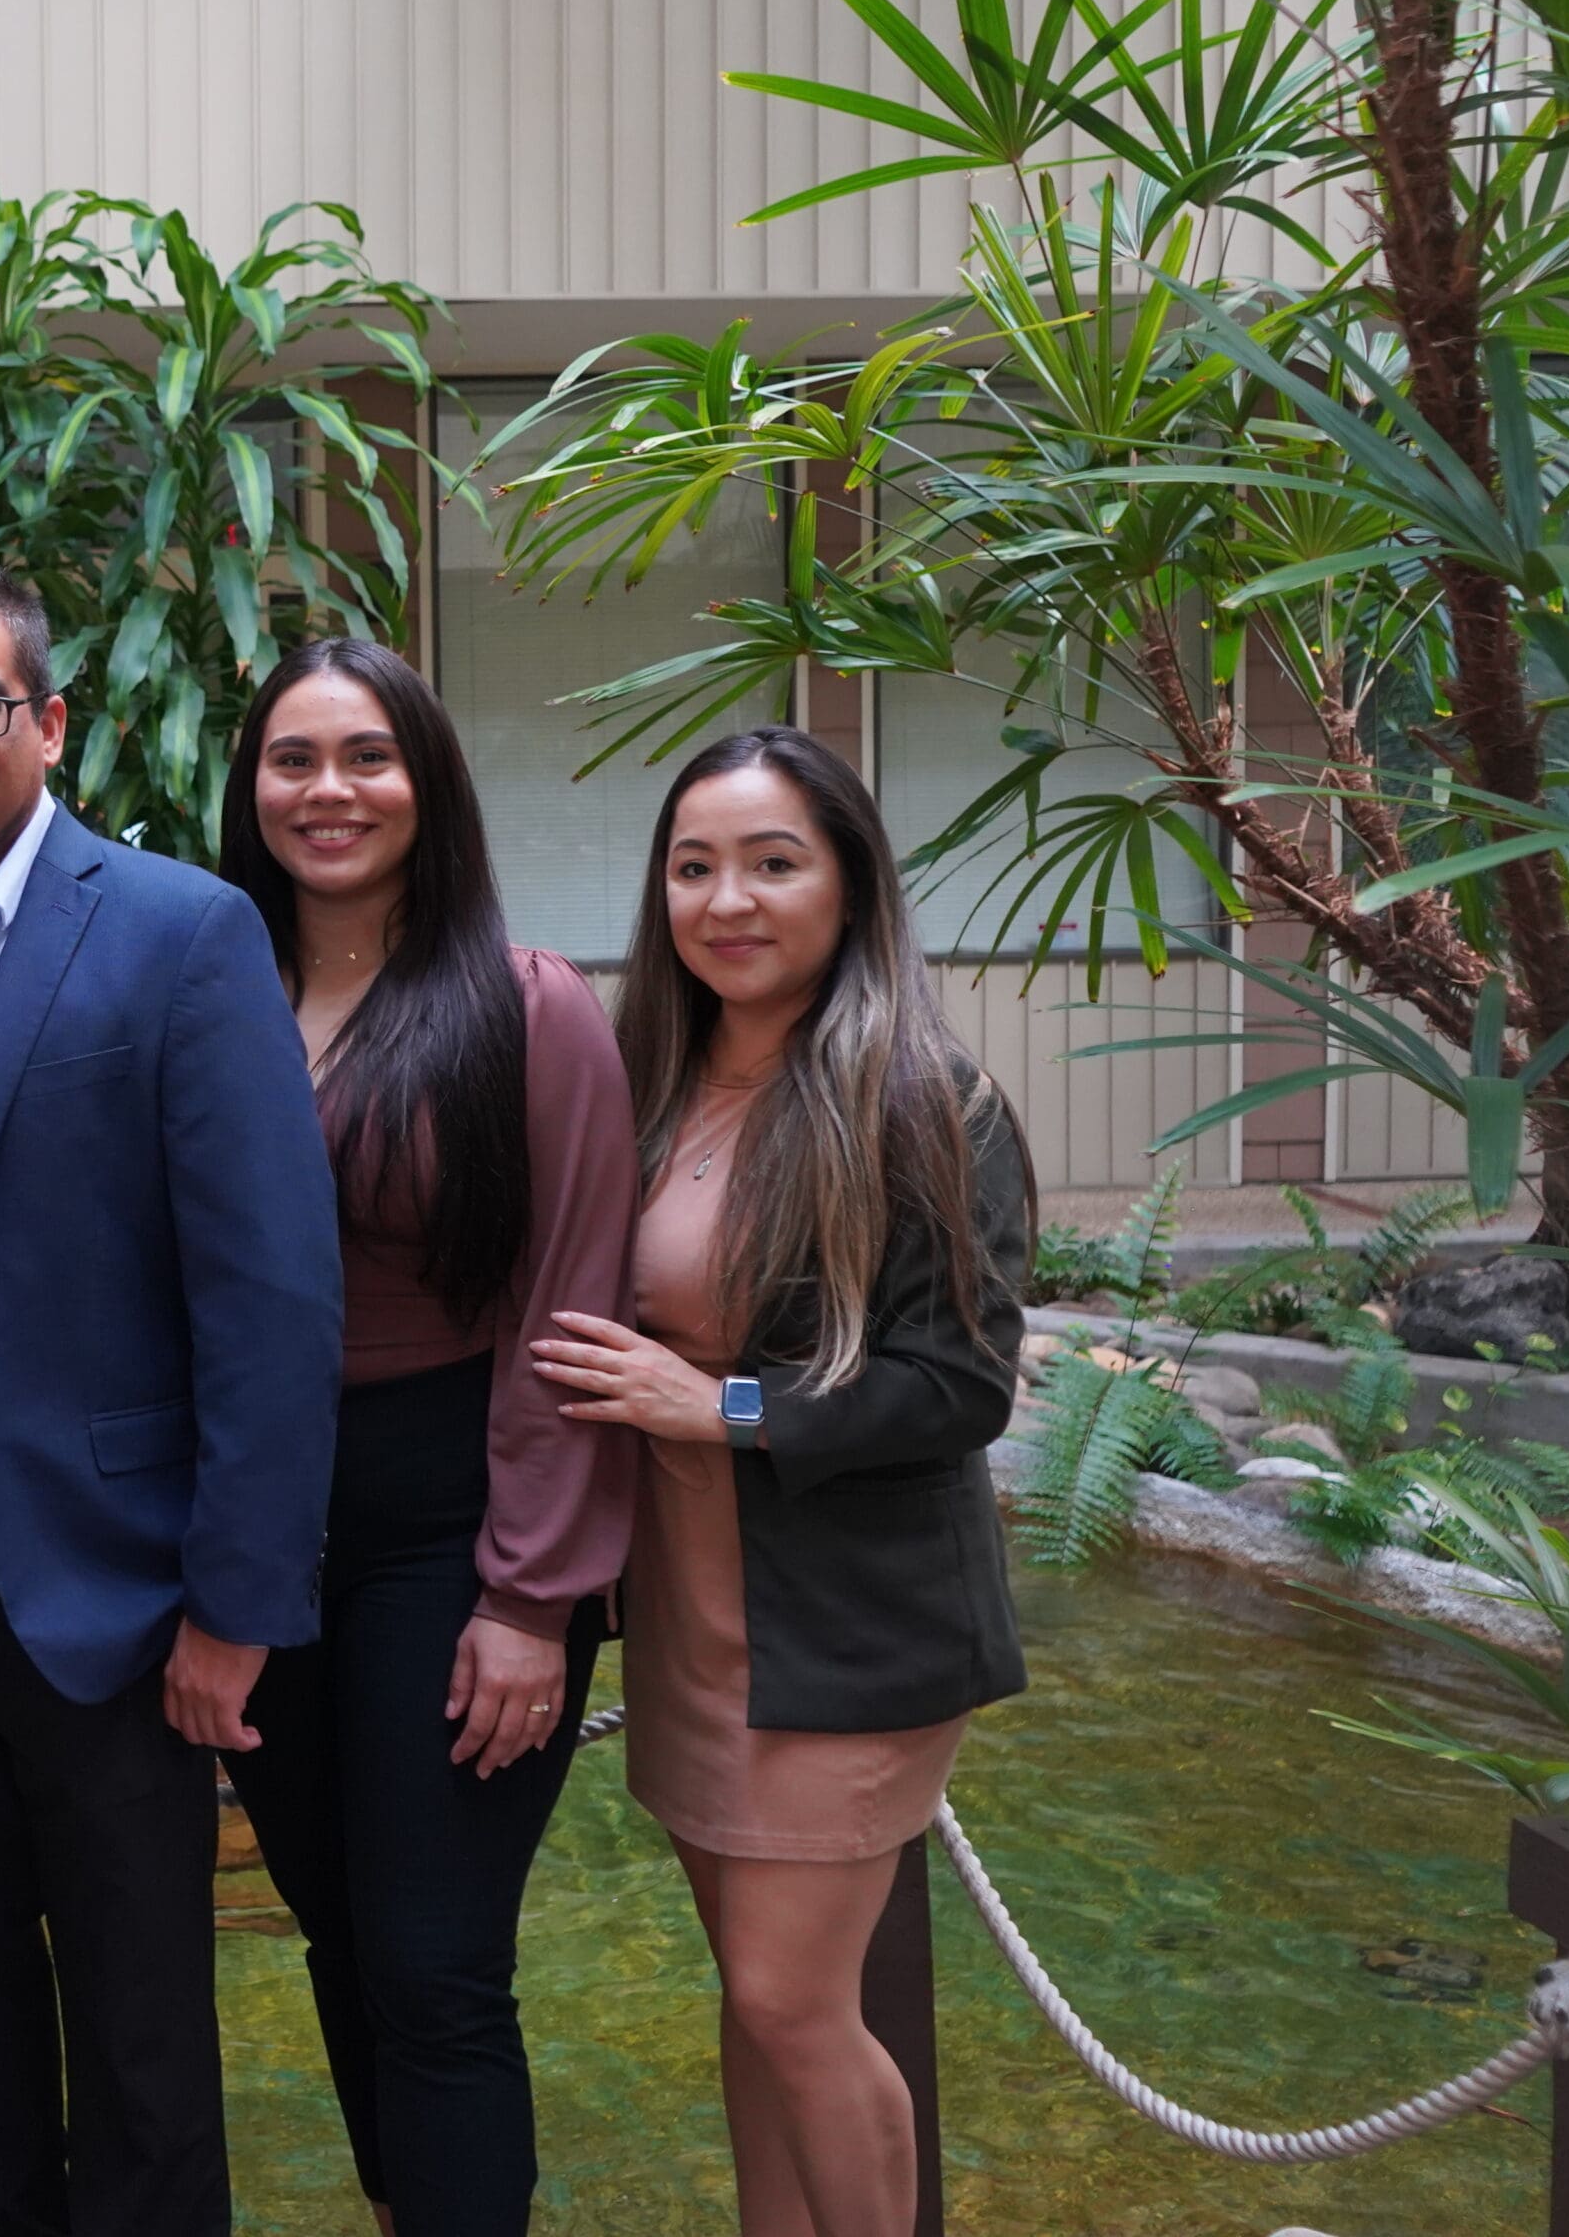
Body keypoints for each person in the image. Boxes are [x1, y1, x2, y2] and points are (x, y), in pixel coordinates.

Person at [0, 556, 344, 2237]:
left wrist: (234, 1607)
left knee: (146, 2049)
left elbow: (270, 1297)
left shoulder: (176, 930)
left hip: (108, 1583)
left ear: (49, 722)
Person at [532, 725, 1031, 2237]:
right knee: (754, 2009)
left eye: (771, 862)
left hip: (848, 1638)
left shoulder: (924, 1096)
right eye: (694, 867)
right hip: (695, 1629)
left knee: (792, 2002)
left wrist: (725, 1405)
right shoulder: (657, 1080)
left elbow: (963, 1385)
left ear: (848, 881)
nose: (726, 899)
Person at [210, 638, 637, 2236]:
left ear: (428, 782)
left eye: (368, 756)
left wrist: (533, 1596)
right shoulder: (210, 995)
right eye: (294, 760)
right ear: (249, 789)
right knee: (334, 1933)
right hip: (264, 1526)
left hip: (455, 1524)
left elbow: (570, 1312)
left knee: (436, 1961)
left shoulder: (526, 1011)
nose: (329, 791)